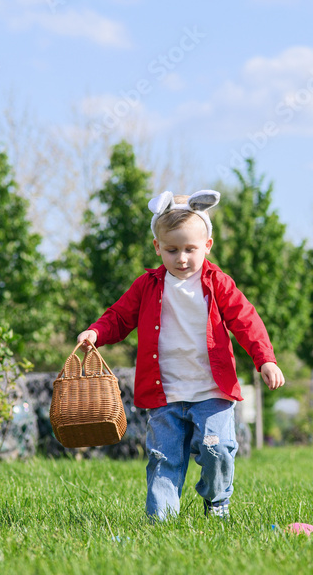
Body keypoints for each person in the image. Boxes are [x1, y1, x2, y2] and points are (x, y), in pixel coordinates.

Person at [77, 190, 285, 521]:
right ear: (158, 247)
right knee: (164, 458)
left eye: (190, 249)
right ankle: (162, 520)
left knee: (217, 451)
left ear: (208, 245)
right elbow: (119, 316)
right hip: (165, 395)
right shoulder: (147, 286)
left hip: (212, 393)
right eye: (172, 250)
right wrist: (96, 332)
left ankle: (216, 503)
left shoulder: (218, 283)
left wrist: (265, 359)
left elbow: (247, 320)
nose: (182, 258)